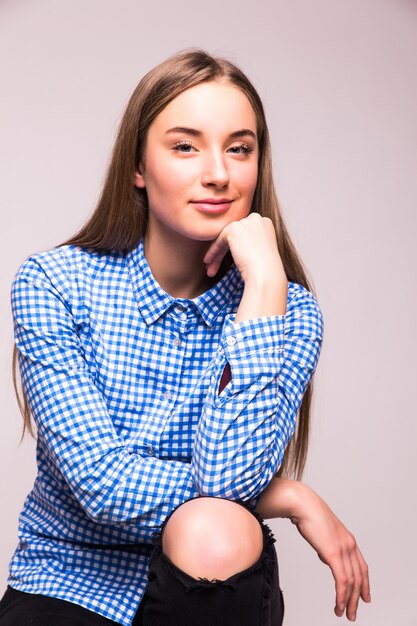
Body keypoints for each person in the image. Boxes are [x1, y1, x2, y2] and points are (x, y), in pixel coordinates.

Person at [0, 48, 370, 625]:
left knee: (212, 526)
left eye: (239, 149)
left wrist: (266, 287)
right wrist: (289, 497)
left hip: (213, 575)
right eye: (185, 145)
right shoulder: (54, 283)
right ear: (138, 167)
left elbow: (228, 483)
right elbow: (103, 485)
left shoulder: (287, 311)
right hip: (70, 579)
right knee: (210, 514)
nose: (219, 173)